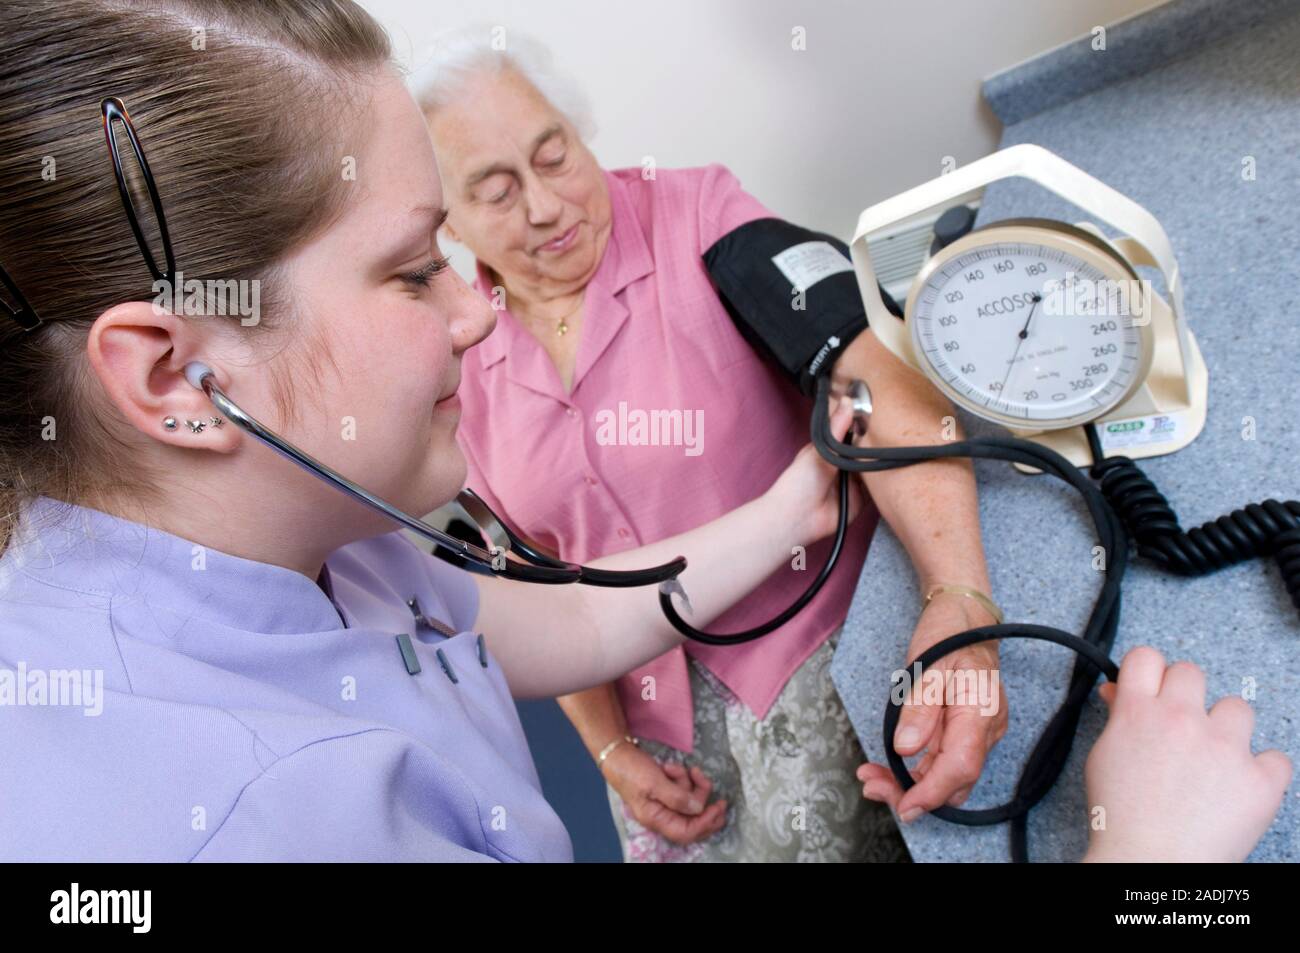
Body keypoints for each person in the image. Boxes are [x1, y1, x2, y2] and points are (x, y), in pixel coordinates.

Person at [0, 0, 853, 862]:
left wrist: (794, 507)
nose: (473, 313)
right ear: (174, 378)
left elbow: (582, 621)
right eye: (414, 273)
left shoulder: (329, 540)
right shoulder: (260, 817)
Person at [410, 27, 1008, 863]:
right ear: (449, 224)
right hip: (652, 713)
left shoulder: (703, 219)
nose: (546, 206)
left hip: (808, 653)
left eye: (555, 156)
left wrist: (963, 602)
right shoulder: (460, 354)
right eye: (496, 191)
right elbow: (534, 571)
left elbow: (877, 386)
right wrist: (611, 750)